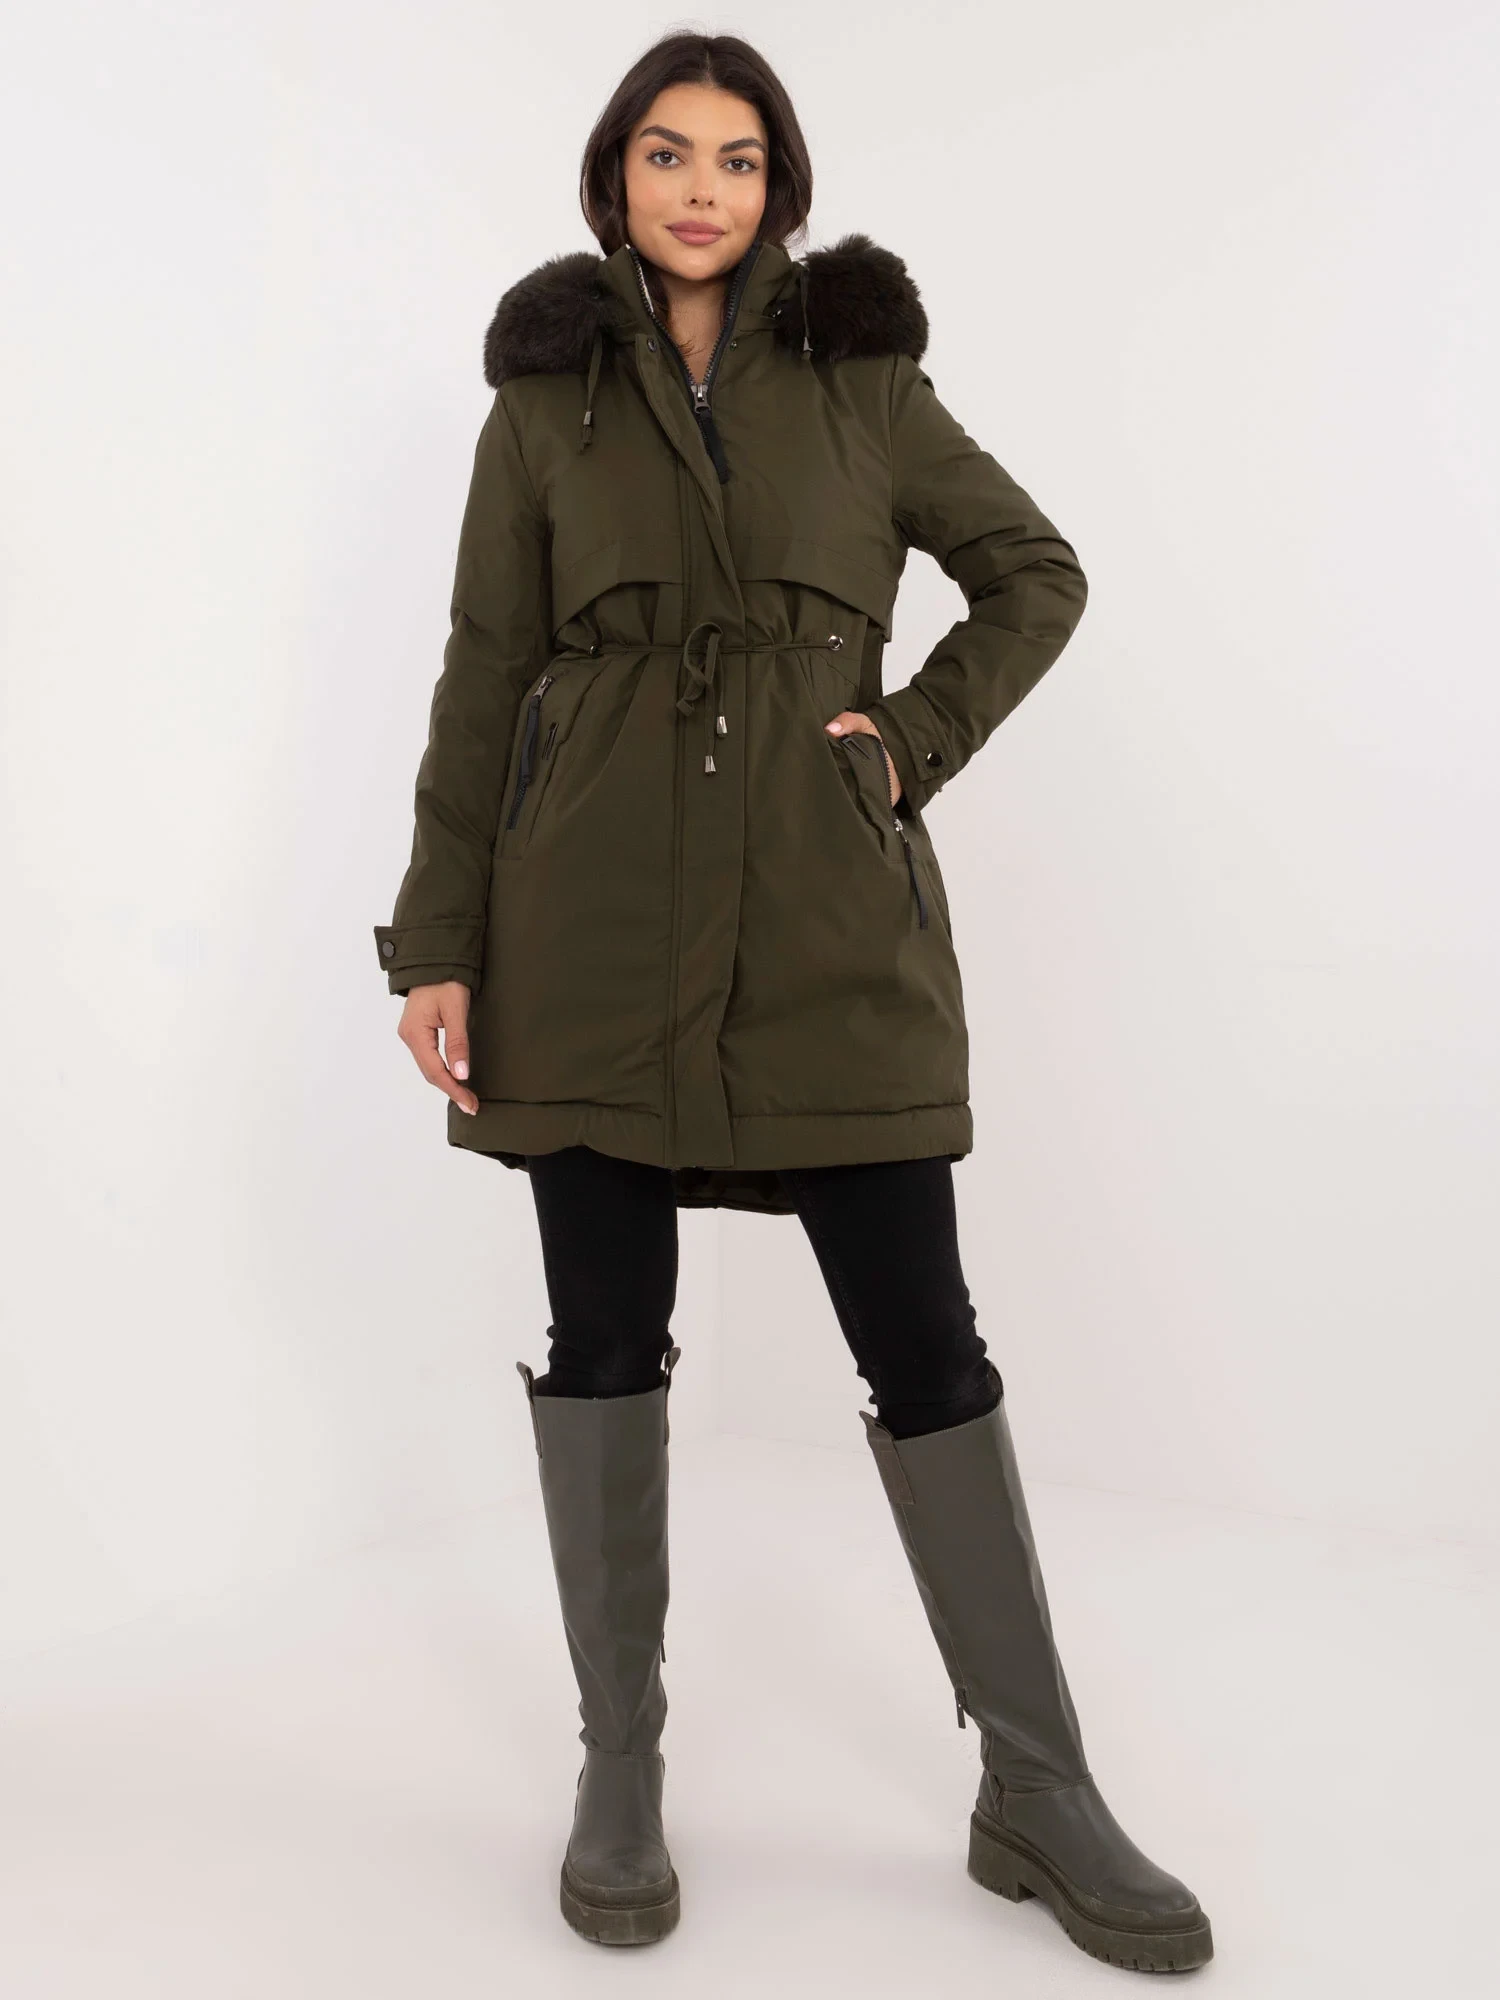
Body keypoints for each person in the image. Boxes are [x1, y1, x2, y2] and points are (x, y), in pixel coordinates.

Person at [373, 30, 1212, 1972]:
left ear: (780, 185)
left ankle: (1039, 1784)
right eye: (668, 153)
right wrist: (438, 940)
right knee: (604, 1335)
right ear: (617, 174)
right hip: (583, 940)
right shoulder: (544, 407)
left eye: (737, 158)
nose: (702, 190)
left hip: (830, 937)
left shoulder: (863, 379)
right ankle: (621, 1772)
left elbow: (1035, 573)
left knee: (927, 1341)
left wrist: (906, 744)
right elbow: (482, 673)